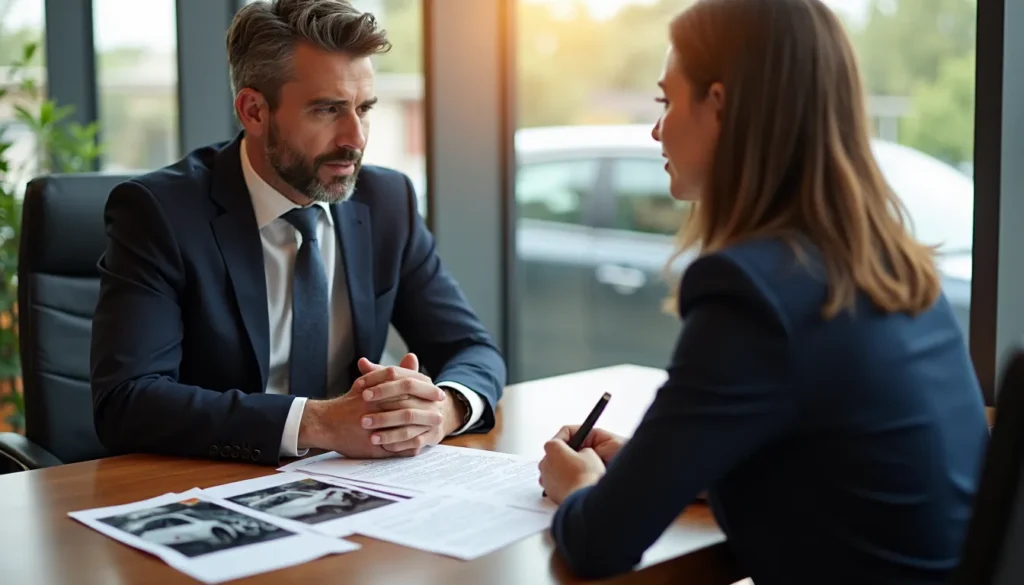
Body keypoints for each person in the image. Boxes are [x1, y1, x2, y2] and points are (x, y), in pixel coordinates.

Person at [536, 0, 989, 583]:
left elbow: (600, 543)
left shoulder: (752, 291)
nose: (656, 128)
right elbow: (831, 462)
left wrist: (580, 486)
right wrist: (656, 467)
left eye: (667, 101)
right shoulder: (885, 263)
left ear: (719, 107)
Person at [89, 0, 506, 466]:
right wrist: (321, 423)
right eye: (327, 110)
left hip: (359, 483)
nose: (356, 138)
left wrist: (443, 410)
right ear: (253, 111)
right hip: (217, 485)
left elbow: (471, 348)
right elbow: (127, 402)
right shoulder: (160, 212)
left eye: (363, 108)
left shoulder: (388, 201)